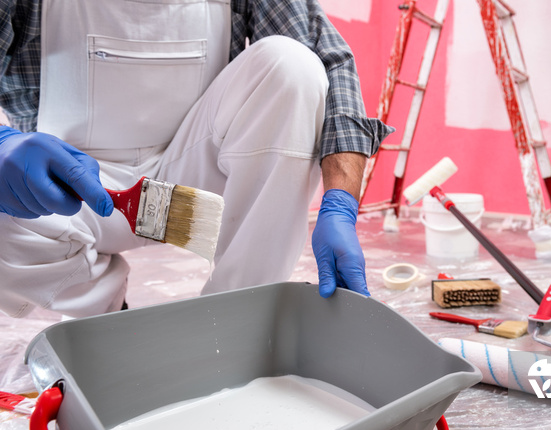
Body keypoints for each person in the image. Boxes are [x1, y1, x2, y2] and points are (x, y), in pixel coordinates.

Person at [0, 0, 392, 318]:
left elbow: (327, 62)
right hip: (64, 192)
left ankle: (234, 320)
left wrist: (339, 204)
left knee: (293, 65)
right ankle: (103, 322)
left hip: (193, 183)